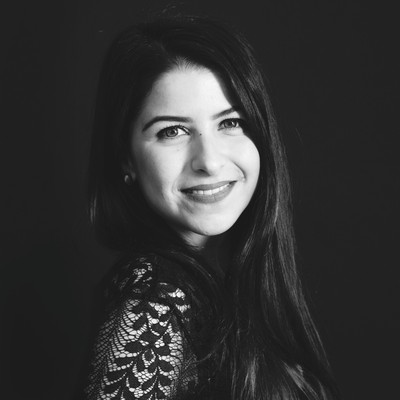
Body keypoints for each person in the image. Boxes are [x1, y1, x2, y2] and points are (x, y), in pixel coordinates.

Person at [84, 14, 339, 400]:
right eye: (172, 131)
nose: (210, 161)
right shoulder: (154, 301)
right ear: (126, 159)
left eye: (230, 123)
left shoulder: (242, 282)